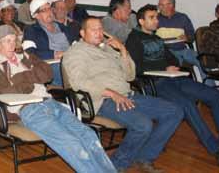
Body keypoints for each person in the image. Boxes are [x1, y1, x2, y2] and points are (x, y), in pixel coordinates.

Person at [125, 4, 219, 167]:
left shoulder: (156, 38)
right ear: (141, 21)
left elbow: (171, 58)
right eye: (152, 18)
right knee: (187, 105)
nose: (157, 21)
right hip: (156, 82)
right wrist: (163, 68)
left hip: (174, 78)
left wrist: (175, 65)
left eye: (156, 17)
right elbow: (136, 68)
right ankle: (215, 149)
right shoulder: (133, 39)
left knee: (216, 96)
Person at [0, 25, 117, 172]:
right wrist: (30, 82)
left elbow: (48, 73)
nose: (12, 44)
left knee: (88, 135)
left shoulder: (27, 57)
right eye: (7, 41)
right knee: (71, 142)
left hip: (50, 103)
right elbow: (3, 93)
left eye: (14, 40)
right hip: (29, 109)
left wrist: (19, 78)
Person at [63, 17, 183, 172]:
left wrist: (123, 51)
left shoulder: (108, 48)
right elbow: (79, 82)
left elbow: (130, 76)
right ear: (82, 33)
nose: (99, 33)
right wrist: (111, 93)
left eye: (101, 29)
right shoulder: (76, 52)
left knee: (174, 112)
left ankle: (144, 158)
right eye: (94, 30)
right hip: (102, 100)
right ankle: (114, 166)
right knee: (143, 125)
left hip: (127, 94)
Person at [157, 0, 210, 85]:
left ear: (171, 5)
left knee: (202, 60)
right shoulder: (156, 19)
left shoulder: (182, 17)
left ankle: (210, 89)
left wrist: (187, 37)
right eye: (160, 5)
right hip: (167, 51)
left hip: (182, 49)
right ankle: (184, 90)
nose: (161, 8)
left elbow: (192, 36)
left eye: (163, 5)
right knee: (176, 63)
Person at [23, 0, 76, 85]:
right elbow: (28, 53)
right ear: (36, 15)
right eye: (44, 10)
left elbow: (75, 44)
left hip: (72, 60)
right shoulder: (31, 30)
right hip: (52, 65)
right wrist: (54, 54)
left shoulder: (62, 26)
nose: (49, 12)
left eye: (49, 8)